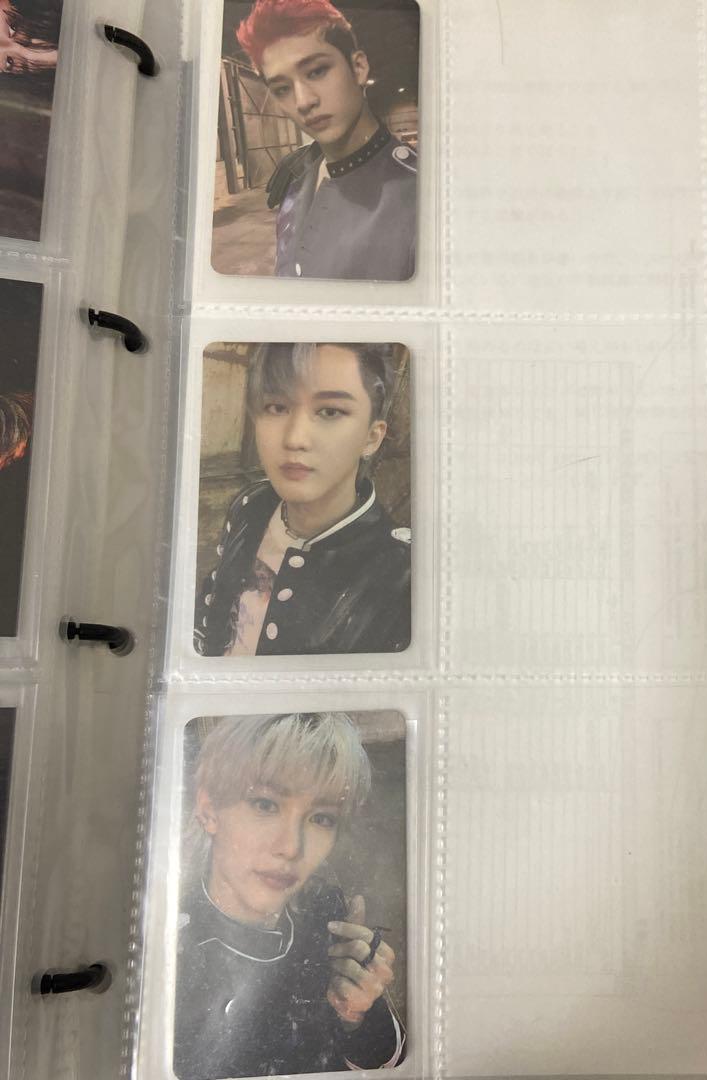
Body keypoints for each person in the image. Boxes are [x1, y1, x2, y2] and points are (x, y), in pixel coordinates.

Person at [174, 712, 406, 1078]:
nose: (291, 847)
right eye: (265, 805)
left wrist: (359, 1015)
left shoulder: (326, 914)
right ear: (209, 810)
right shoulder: (166, 945)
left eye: (321, 818)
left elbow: (391, 1063)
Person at [194, 341, 411, 656]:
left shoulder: (400, 572)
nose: (295, 438)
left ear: (372, 436)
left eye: (330, 411)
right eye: (277, 407)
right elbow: (213, 612)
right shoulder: (253, 505)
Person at [235, 0, 417, 281]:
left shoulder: (420, 198)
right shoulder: (297, 181)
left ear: (358, 67)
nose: (303, 101)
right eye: (282, 89)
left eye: (317, 71)